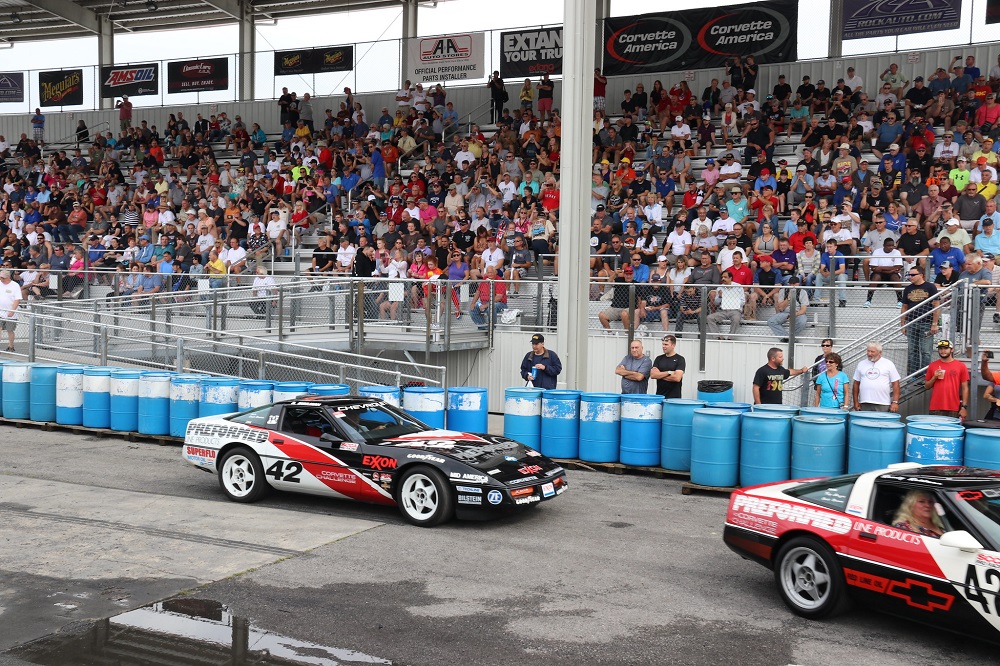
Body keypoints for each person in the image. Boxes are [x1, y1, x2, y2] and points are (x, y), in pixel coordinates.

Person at [901, 267, 941, 376]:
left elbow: (936, 305)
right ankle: (913, 375)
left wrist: (934, 324)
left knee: (926, 351)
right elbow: (904, 307)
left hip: (926, 323)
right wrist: (903, 324)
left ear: (921, 275)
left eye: (913, 275)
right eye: (909, 275)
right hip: (911, 322)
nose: (910, 277)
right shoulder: (907, 289)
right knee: (912, 351)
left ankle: (925, 375)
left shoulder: (931, 287)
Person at [925, 339, 969, 419]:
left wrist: (964, 407)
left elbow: (965, 388)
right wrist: (934, 377)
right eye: (940, 349)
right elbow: (927, 386)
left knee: (952, 431)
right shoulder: (932, 365)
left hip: (954, 407)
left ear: (952, 349)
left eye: (945, 348)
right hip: (935, 407)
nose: (943, 351)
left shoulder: (961, 366)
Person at [852, 342, 902, 412]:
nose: (869, 353)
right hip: (864, 402)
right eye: (868, 351)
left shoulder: (888, 364)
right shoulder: (861, 364)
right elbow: (856, 384)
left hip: (883, 403)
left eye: (872, 351)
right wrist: (856, 401)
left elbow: (896, 384)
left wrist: (895, 402)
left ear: (880, 352)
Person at [767, 276, 808, 341]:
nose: (792, 285)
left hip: (798, 313)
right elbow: (780, 308)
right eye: (790, 283)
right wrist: (788, 298)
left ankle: (792, 337)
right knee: (771, 321)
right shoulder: (783, 291)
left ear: (798, 284)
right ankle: (786, 338)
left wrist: (794, 314)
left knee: (802, 321)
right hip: (785, 313)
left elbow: (803, 310)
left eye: (794, 284)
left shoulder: (803, 292)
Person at [650, 334, 685, 398]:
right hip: (659, 397)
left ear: (673, 345)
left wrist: (660, 375)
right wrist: (669, 372)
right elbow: (653, 375)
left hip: (674, 398)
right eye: (663, 344)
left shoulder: (680, 359)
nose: (663, 346)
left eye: (666, 344)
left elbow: (677, 378)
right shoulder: (659, 358)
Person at [0, 269, 20, 352]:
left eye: (3, 278)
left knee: (10, 330)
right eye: (0, 277)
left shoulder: (15, 285)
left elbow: (17, 299)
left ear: (8, 277)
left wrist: (12, 311)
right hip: (1, 311)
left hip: (10, 312)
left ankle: (11, 346)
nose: (1, 279)